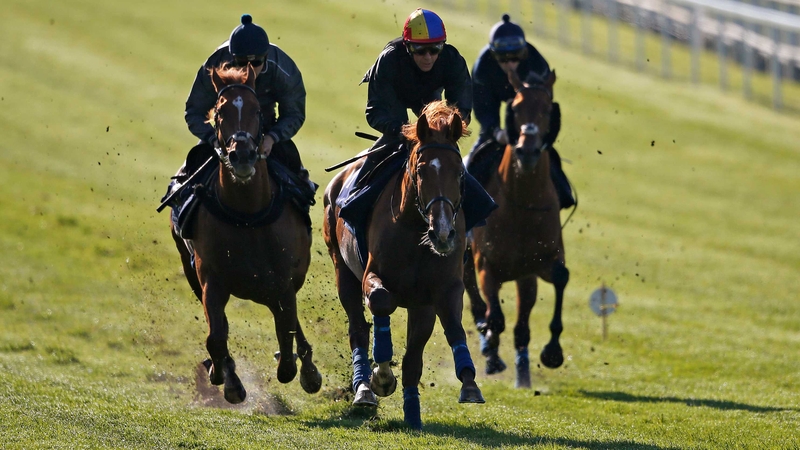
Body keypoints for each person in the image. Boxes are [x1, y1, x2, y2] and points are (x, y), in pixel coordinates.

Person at [176, 14, 314, 202]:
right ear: (233, 58)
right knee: (183, 184)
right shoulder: (215, 64)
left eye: (256, 62)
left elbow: (294, 113)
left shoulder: (282, 68)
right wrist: (213, 140)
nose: (250, 69)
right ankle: (179, 205)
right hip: (224, 134)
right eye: (242, 63)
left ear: (265, 57)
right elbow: (193, 111)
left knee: (302, 185)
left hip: (266, 129)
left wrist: (272, 138)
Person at [354, 8, 473, 185]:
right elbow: (375, 113)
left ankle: (479, 208)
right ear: (407, 47)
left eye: (435, 49)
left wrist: (445, 129)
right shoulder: (389, 60)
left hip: (427, 96)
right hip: (393, 96)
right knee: (395, 142)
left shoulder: (452, 60)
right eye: (419, 50)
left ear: (443, 46)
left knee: (443, 147)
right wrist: (402, 131)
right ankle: (355, 192)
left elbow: (462, 110)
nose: (428, 57)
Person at [470, 14, 575, 209]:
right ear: (494, 56)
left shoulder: (538, 66)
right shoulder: (482, 69)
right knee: (474, 160)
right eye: (503, 58)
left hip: (529, 106)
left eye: (515, 57)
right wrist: (496, 131)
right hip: (493, 99)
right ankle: (464, 210)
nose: (510, 64)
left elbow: (543, 108)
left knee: (544, 151)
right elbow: (483, 108)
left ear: (524, 53)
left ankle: (562, 194)